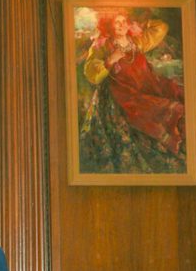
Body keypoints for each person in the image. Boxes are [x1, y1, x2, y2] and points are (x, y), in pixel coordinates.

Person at [80, 10, 186, 173]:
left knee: (175, 99)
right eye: (117, 22)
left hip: (145, 87)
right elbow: (91, 74)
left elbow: (161, 28)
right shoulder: (103, 46)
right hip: (121, 93)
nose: (122, 25)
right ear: (109, 26)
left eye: (124, 21)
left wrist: (143, 23)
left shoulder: (137, 41)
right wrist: (110, 60)